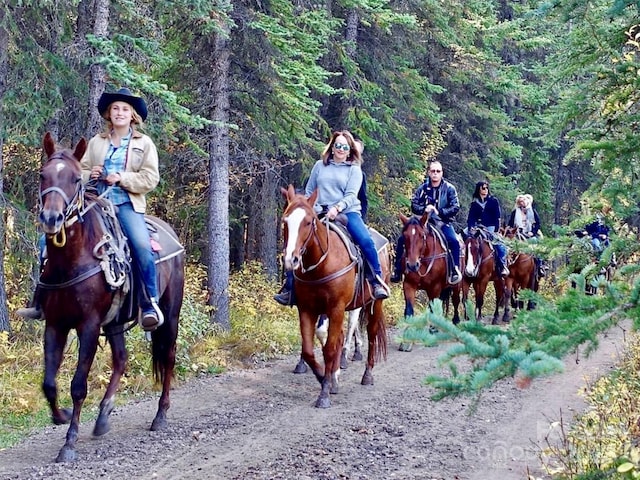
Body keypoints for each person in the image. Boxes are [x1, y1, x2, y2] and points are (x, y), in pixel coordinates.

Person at [274, 131, 389, 305]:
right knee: (296, 241)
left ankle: (376, 281)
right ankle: (290, 287)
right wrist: (310, 207)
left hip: (347, 212)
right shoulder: (320, 166)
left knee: (365, 240)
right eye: (338, 145)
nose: (341, 149)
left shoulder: (354, 170)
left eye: (345, 146)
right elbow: (309, 190)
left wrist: (337, 208)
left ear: (350, 150)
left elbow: (351, 195)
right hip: (319, 211)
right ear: (332, 147)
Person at [83, 87, 164, 331]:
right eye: (115, 108)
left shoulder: (144, 143)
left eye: (125, 109)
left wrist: (121, 177)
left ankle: (150, 303)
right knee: (54, 238)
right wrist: (90, 174)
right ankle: (44, 299)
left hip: (127, 204)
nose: (119, 113)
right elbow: (80, 170)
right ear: (109, 113)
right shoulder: (97, 142)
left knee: (141, 246)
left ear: (133, 116)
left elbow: (151, 178)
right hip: (96, 203)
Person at [390, 160, 462, 285]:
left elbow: (455, 207)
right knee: (403, 239)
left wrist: (439, 211)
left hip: (442, 222)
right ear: (429, 172)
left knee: (453, 241)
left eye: (438, 171)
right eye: (433, 171)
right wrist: (424, 209)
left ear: (441, 173)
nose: (435, 174)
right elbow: (414, 205)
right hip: (422, 222)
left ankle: (454, 269)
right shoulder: (422, 188)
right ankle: (397, 270)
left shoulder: (449, 189)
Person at [466, 181, 509, 277]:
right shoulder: (474, 203)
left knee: (500, 244)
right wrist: (471, 228)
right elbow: (471, 218)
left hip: (490, 227)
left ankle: (502, 265)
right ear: (479, 189)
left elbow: (497, 216)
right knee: (463, 238)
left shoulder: (493, 201)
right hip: (477, 227)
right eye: (483, 188)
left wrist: (496, 230)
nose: (485, 190)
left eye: (486, 188)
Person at [508, 193, 545, 277]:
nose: (522, 202)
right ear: (518, 203)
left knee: (535, 242)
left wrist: (533, 232)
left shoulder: (532, 211)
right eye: (520, 201)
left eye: (524, 200)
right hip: (518, 234)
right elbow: (510, 224)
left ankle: (540, 264)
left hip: (529, 234)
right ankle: (506, 264)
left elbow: (538, 223)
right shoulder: (515, 212)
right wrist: (513, 231)